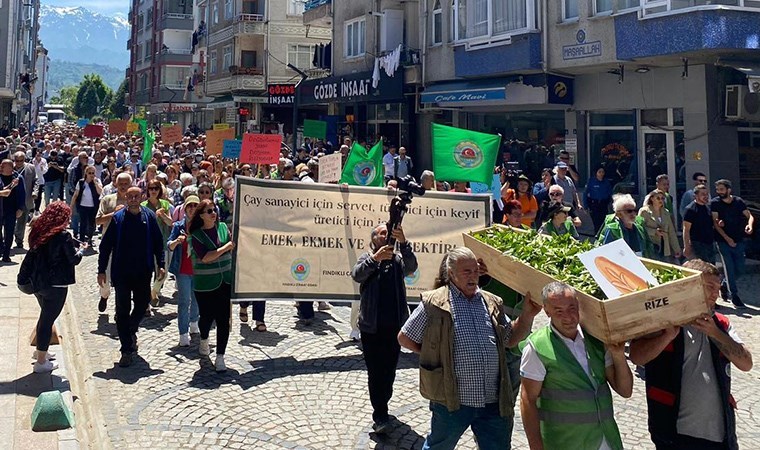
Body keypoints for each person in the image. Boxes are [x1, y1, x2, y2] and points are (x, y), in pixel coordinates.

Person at [398, 247, 541, 449]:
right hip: (452, 400)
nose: (473, 276)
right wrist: (433, 353)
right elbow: (405, 337)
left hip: (493, 400)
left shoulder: (491, 301)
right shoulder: (434, 302)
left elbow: (510, 339)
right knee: (439, 446)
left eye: (475, 271)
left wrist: (527, 315)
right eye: (467, 271)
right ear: (451, 273)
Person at [630, 259, 753, 450]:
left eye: (718, 287)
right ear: (688, 286)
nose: (716, 294)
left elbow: (746, 363)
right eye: (709, 286)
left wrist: (714, 333)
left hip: (721, 437)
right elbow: (637, 357)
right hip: (674, 435)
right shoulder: (661, 322)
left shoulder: (721, 324)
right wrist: (667, 336)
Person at [521, 282, 633, 450]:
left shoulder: (596, 341)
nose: (568, 317)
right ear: (547, 311)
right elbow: (527, 401)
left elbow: (625, 390)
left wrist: (618, 356)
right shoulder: (537, 347)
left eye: (572, 308)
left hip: (606, 439)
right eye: (559, 311)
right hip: (565, 442)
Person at [351, 223, 417, 434]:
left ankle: (383, 402)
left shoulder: (398, 260)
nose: (386, 235)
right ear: (374, 239)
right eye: (381, 233)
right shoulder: (367, 257)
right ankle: (380, 412)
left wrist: (404, 243)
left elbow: (412, 266)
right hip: (371, 327)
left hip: (394, 327)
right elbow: (357, 275)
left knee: (389, 371)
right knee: (375, 371)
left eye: (388, 233)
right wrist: (375, 259)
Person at [97, 186, 165, 368]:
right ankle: (126, 349)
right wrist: (101, 270)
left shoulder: (149, 217)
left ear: (141, 197)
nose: (133, 199)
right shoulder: (117, 219)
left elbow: (159, 243)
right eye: (130, 196)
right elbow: (105, 246)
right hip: (121, 272)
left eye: (136, 196)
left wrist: (162, 264)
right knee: (122, 310)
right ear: (126, 198)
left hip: (143, 270)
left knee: (143, 305)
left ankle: (130, 328)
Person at [26, 202, 85, 372]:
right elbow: (73, 259)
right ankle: (41, 363)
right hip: (56, 285)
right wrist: (80, 250)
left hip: (39, 282)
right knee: (47, 320)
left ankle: (41, 352)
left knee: (44, 316)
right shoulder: (63, 236)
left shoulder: (40, 230)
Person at [189, 198, 235, 373]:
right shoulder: (196, 235)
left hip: (225, 281)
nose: (213, 213)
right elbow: (206, 257)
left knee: (224, 319)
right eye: (209, 211)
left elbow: (233, 246)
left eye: (214, 210)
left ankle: (221, 356)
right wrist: (226, 248)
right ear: (201, 215)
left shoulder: (223, 228)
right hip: (205, 284)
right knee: (207, 317)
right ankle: (204, 339)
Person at [710, 179, 753, 308]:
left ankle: (724, 284)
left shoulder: (738, 202)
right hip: (723, 241)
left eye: (722, 189)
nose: (719, 192)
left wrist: (749, 225)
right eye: (718, 190)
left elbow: (749, 215)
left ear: (729, 190)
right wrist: (726, 238)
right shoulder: (715, 203)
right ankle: (734, 295)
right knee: (729, 267)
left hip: (739, 239)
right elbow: (716, 223)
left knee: (739, 268)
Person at [95, 173, 131, 313]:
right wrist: (114, 214)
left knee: (123, 281)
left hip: (126, 246)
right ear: (116, 184)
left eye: (125, 183)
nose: (123, 186)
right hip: (108, 245)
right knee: (105, 277)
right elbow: (98, 220)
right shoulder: (107, 200)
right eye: (120, 183)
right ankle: (104, 296)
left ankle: (120, 310)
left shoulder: (134, 200)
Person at [167, 195, 201, 347]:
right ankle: (183, 332)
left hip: (200, 270)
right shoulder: (178, 226)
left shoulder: (203, 225)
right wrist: (176, 242)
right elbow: (169, 244)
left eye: (195, 206)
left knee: (196, 299)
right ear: (185, 208)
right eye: (190, 206)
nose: (192, 209)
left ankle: (194, 322)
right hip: (182, 269)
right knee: (183, 301)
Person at [141, 179, 174, 306]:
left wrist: (163, 216)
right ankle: (148, 295)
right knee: (149, 270)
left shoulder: (165, 204)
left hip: (163, 241)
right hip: (148, 243)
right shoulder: (143, 205)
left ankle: (154, 291)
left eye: (156, 188)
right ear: (148, 190)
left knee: (163, 271)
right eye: (151, 188)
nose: (153, 191)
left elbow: (171, 223)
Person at [598, 194, 654, 258]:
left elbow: (648, 247)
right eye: (629, 211)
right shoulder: (613, 230)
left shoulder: (640, 228)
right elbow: (606, 252)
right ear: (619, 214)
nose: (633, 214)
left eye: (635, 210)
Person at [639, 189, 681, 263]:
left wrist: (676, 249)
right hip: (651, 245)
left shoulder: (666, 212)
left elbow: (671, 231)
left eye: (662, 198)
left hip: (664, 246)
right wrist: (654, 231)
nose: (660, 200)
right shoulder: (644, 211)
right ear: (652, 199)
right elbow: (640, 228)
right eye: (658, 198)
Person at [69, 165, 103, 247]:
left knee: (92, 224)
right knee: (83, 223)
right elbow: (75, 195)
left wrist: (95, 183)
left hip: (93, 207)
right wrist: (71, 206)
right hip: (82, 206)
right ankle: (81, 240)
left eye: (93, 173)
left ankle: (90, 239)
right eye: (90, 173)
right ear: (86, 173)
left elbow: (100, 192)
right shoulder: (81, 182)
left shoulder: (97, 181)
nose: (91, 174)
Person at [683, 185, 715, 264]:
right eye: (703, 194)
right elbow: (686, 229)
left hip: (710, 243)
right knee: (703, 267)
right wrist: (686, 246)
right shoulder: (690, 209)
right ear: (695, 196)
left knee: (711, 267)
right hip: (697, 243)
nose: (706, 196)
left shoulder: (708, 208)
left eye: (707, 194)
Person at [0, 159, 24, 262]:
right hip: (0, 208)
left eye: (2, 166)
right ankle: (1, 248)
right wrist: (12, 185)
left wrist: (20, 208)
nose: (0, 167)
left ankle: (6, 254)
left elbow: (22, 193)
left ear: (10, 167)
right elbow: (5, 191)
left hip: (11, 209)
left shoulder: (18, 178)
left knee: (9, 232)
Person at [12, 150, 36, 248]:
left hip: (25, 199)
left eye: (21, 160)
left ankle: (19, 240)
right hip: (11, 200)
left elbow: (36, 181)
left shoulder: (31, 168)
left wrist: (35, 192)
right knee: (10, 221)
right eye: (17, 160)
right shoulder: (9, 167)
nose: (18, 163)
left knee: (22, 222)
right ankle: (9, 237)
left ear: (24, 159)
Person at [585, 166, 613, 233]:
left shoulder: (606, 182)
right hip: (594, 204)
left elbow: (610, 193)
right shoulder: (591, 181)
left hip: (604, 204)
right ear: (596, 173)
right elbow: (585, 194)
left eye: (602, 172)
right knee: (596, 222)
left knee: (604, 222)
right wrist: (586, 206)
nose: (601, 174)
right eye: (599, 172)